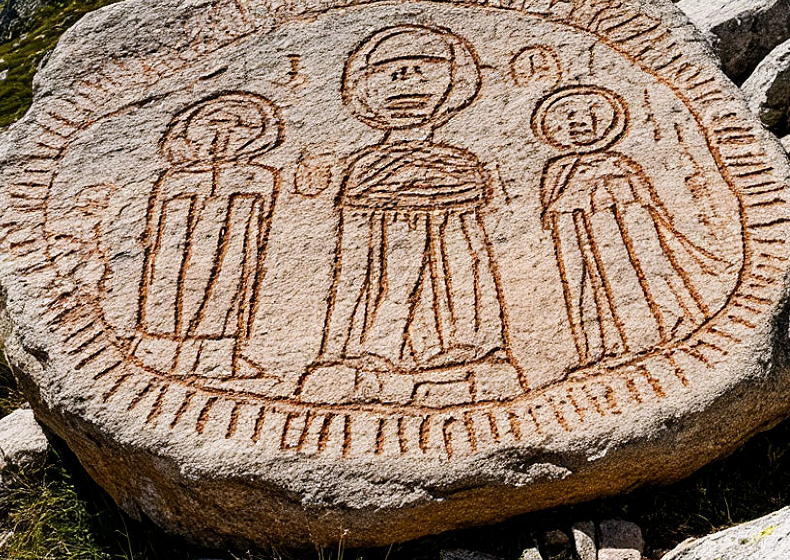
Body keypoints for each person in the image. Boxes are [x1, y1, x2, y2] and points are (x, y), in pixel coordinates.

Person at [303, 24, 522, 407]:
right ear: (365, 87)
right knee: (382, 285)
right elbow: (355, 261)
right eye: (389, 70)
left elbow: (470, 253)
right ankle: (366, 353)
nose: (406, 80)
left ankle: (461, 349)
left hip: (449, 263)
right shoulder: (365, 166)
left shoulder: (460, 163)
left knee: (458, 279)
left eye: (425, 67)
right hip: (380, 264)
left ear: (453, 81)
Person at [534, 85, 727, 365]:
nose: (577, 124)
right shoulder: (559, 170)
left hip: (629, 235)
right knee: (593, 286)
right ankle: (605, 345)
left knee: (645, 274)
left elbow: (647, 203)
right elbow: (554, 213)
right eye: (570, 120)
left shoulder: (619, 163)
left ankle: (667, 326)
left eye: (585, 118)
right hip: (585, 238)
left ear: (600, 124)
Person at [134, 92, 282, 379]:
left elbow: (260, 220)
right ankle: (159, 348)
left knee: (226, 288)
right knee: (170, 285)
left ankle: (217, 357)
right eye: (212, 124)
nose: (223, 133)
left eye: (240, 126)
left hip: (236, 242)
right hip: (179, 246)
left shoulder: (258, 176)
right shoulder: (176, 178)